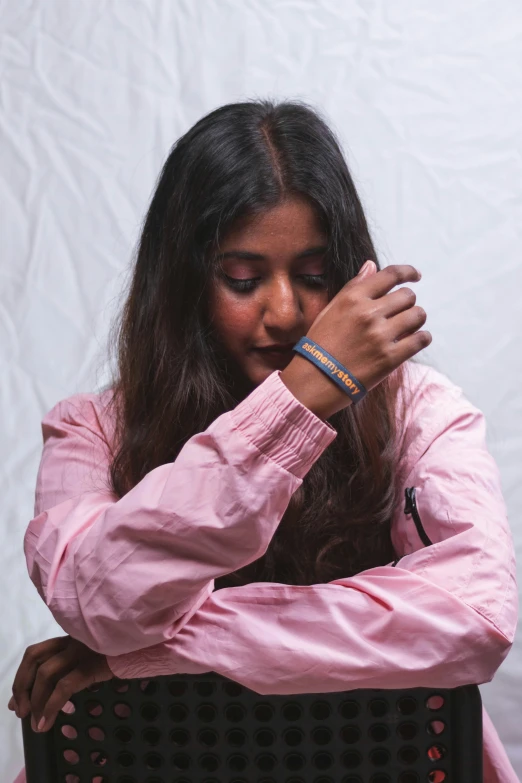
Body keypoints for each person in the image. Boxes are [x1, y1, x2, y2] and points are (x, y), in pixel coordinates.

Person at [8, 100, 518, 783]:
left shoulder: (421, 415)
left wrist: (158, 648)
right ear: (186, 285)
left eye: (312, 276)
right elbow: (100, 601)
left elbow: (473, 616)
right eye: (243, 280)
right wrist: (301, 399)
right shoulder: (93, 431)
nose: (284, 312)